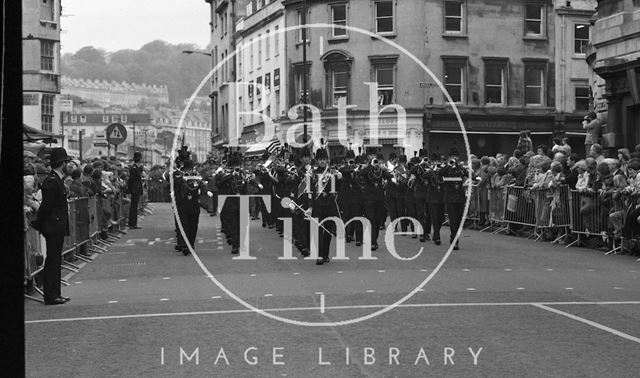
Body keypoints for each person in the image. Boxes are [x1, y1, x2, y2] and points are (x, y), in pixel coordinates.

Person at [35, 148, 72, 305]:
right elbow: (46, 206)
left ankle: (56, 293)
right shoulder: (52, 181)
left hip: (56, 225)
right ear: (62, 163)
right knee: (53, 261)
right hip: (53, 226)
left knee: (56, 260)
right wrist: (40, 224)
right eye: (66, 162)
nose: (68, 165)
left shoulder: (56, 180)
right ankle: (51, 295)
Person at [127, 152, 143, 229]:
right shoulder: (134, 168)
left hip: (136, 189)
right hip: (135, 189)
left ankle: (134, 223)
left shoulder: (137, 168)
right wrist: (129, 190)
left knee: (135, 207)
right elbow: (131, 180)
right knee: (133, 207)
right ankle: (132, 224)